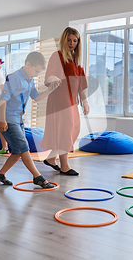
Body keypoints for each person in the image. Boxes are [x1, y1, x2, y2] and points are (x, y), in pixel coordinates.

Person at [0, 51, 58, 188]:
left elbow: (36, 97)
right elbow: (3, 100)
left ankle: (1, 174)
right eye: (36, 71)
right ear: (27, 65)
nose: (37, 74)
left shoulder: (30, 79)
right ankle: (37, 177)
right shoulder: (14, 77)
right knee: (24, 147)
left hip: (17, 117)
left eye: (39, 72)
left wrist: (51, 90)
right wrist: (3, 120)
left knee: (17, 151)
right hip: (6, 117)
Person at [41, 27, 89, 176]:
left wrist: (85, 101)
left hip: (71, 102)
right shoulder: (58, 56)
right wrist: (53, 78)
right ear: (64, 40)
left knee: (73, 129)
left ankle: (50, 159)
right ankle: (64, 166)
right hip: (60, 100)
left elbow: (81, 84)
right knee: (65, 130)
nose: (72, 43)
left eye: (75, 41)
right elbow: (48, 77)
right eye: (69, 40)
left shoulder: (76, 61)